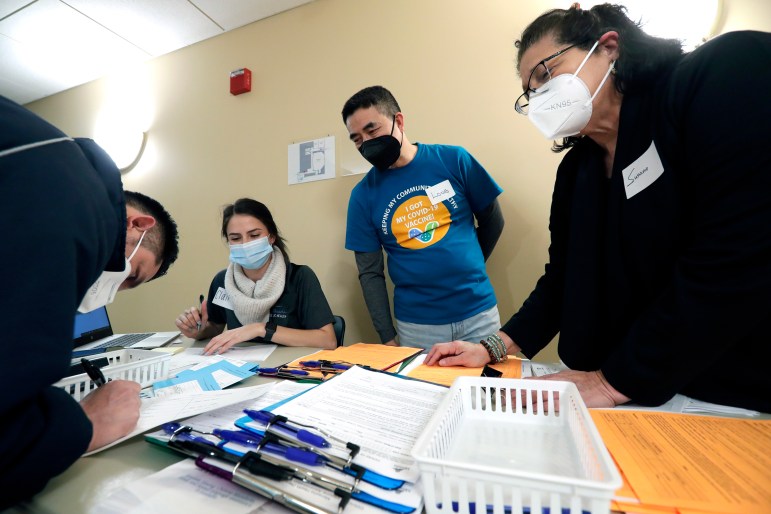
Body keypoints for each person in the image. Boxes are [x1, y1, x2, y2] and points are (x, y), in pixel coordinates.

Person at [426, 4, 771, 413]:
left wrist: (612, 382)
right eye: (530, 91)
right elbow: (562, 279)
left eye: (546, 74)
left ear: (608, 47)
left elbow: (738, 256)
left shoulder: (721, 73)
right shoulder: (576, 171)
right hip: (614, 387)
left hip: (719, 392)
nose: (539, 97)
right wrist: (495, 346)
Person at [0, 95, 180, 507]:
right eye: (132, 275)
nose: (112, 292)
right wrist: (83, 425)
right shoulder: (67, 199)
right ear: (137, 224)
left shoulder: (53, 165)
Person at [342, 85, 505, 350]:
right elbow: (370, 273)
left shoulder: (454, 160)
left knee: (488, 390)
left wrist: (470, 266)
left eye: (372, 130)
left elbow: (493, 220)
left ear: (399, 121)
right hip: (418, 327)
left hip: (479, 314)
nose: (367, 143)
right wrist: (386, 336)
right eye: (357, 139)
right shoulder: (362, 196)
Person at [176, 198, 336, 353]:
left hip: (289, 369)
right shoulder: (222, 280)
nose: (245, 244)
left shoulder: (300, 277)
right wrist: (197, 330)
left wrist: (260, 329)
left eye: (254, 235)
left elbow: (328, 340)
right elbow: (215, 328)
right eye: (236, 238)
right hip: (239, 366)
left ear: (271, 237)